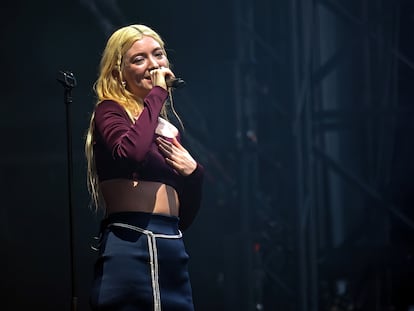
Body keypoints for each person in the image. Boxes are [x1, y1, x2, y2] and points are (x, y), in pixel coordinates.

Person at [84, 24, 204, 311]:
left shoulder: (168, 128)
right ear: (119, 73)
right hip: (132, 241)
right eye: (139, 59)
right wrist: (157, 94)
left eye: (158, 55)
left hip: (171, 245)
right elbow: (131, 153)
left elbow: (183, 215)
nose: (153, 65)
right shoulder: (110, 111)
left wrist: (196, 174)